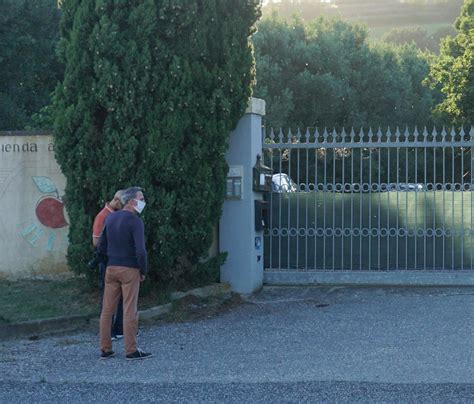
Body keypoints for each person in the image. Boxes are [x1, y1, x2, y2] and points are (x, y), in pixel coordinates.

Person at [98, 186, 152, 361]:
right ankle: (131, 350)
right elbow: (141, 251)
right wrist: (143, 270)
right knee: (130, 309)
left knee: (107, 310)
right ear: (130, 201)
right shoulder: (135, 221)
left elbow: (101, 245)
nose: (143, 202)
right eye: (140, 198)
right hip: (129, 269)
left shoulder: (110, 218)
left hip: (111, 268)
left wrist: (106, 264)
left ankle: (105, 349)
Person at [92, 190, 124, 340]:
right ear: (117, 201)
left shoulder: (116, 215)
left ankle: (119, 329)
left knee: (121, 296)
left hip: (117, 260)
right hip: (107, 260)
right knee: (108, 297)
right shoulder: (102, 216)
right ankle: (107, 331)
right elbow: (96, 242)